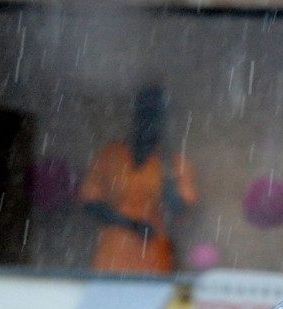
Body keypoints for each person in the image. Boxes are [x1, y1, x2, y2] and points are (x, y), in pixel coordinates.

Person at [79, 84, 197, 274]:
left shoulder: (175, 163)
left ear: (163, 121)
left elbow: (178, 209)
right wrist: (130, 225)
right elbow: (91, 203)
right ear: (135, 115)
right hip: (113, 252)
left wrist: (166, 171)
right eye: (144, 113)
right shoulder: (111, 155)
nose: (148, 121)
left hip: (154, 256)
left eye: (155, 115)